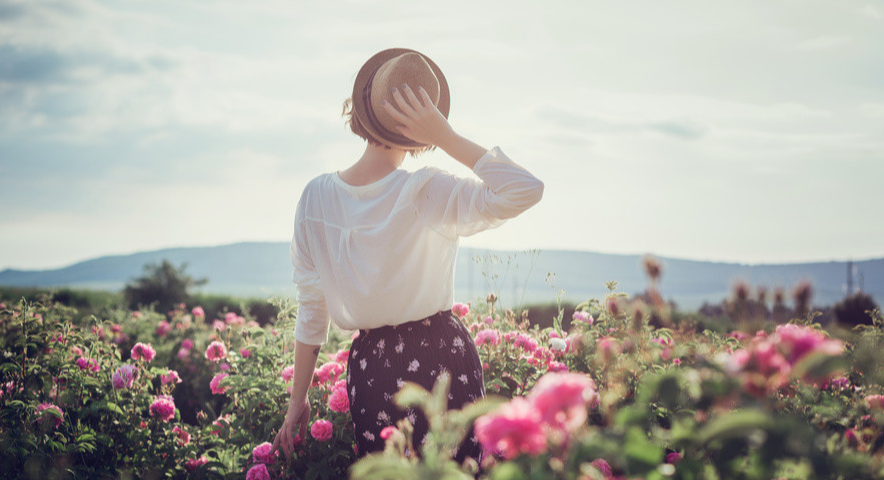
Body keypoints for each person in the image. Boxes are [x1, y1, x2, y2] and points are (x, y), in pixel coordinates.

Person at [269, 48, 544, 466]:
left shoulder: (315, 199)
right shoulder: (426, 190)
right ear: (422, 130)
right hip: (443, 356)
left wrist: (298, 403)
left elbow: (312, 310)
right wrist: (448, 137)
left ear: (362, 111)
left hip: (371, 370)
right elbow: (525, 189)